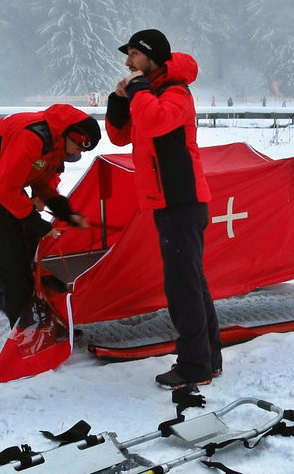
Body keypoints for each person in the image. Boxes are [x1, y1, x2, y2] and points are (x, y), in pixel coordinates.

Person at [105, 29, 222, 389]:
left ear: (152, 57)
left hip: (182, 201)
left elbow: (155, 122)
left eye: (135, 55)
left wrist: (138, 90)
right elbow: (120, 136)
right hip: (166, 201)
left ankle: (194, 365)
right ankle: (208, 358)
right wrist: (118, 98)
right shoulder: (150, 94)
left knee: (182, 286)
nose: (128, 62)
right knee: (191, 282)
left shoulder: (175, 93)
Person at [0, 105, 100, 328]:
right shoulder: (32, 136)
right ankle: (24, 326)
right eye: (79, 147)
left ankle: (26, 304)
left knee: (29, 245)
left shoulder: (55, 145)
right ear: (71, 134)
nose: (77, 154)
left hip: (5, 186)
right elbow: (2, 188)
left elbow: (42, 183)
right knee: (9, 255)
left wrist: (67, 213)